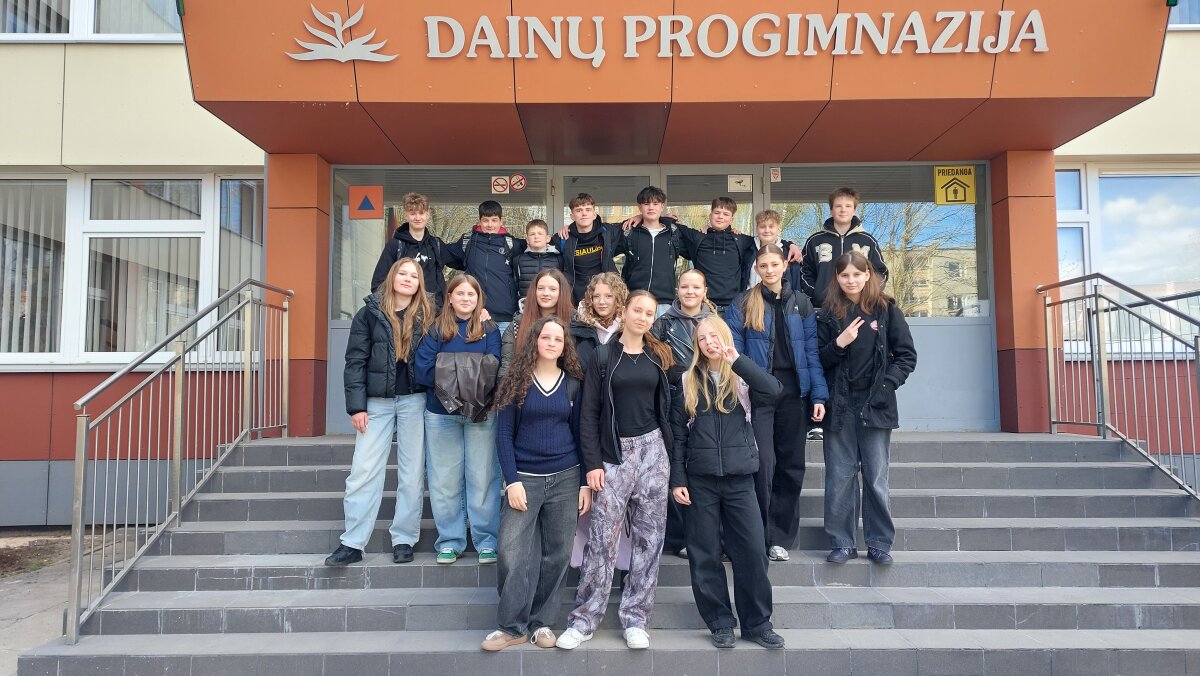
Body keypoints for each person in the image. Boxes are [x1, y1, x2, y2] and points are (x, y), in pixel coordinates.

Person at [556, 291, 675, 652]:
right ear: (624, 311)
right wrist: (592, 464)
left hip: (653, 452)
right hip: (614, 454)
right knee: (601, 539)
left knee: (649, 540)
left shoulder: (659, 355)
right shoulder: (604, 356)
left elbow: (669, 405)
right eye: (637, 310)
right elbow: (589, 414)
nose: (643, 317)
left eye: (649, 313)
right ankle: (584, 619)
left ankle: (636, 619)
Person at [670, 316, 784, 650]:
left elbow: (774, 391)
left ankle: (757, 624)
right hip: (700, 481)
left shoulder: (742, 376)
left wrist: (737, 360)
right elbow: (678, 437)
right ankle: (720, 622)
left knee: (752, 552)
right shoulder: (688, 380)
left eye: (714, 336)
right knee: (704, 555)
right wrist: (678, 479)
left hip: (740, 480)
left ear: (725, 337)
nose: (708, 342)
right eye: (702, 338)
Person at [482, 316, 592, 651]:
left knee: (557, 554)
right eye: (546, 337)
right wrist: (512, 480)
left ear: (565, 346)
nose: (552, 343)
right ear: (535, 340)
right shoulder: (515, 381)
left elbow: (581, 434)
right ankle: (511, 626)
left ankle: (541, 623)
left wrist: (584, 483)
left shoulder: (573, 383)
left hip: (566, 477)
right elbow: (503, 435)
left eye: (558, 339)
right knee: (511, 552)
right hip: (525, 479)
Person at [326, 258, 434, 567]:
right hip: (376, 403)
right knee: (363, 471)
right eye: (403, 273)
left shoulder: (428, 315)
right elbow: (355, 361)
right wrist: (357, 406)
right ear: (392, 277)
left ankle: (404, 539)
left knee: (412, 473)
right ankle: (352, 542)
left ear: (419, 283)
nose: (408, 279)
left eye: (414, 275)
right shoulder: (369, 313)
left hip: (415, 401)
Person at [725, 244, 828, 562]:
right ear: (756, 269)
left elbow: (811, 352)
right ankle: (757, 534)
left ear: (785, 266)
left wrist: (819, 395)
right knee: (762, 464)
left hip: (794, 395)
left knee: (791, 466)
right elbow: (735, 354)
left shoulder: (802, 302)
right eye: (763, 265)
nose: (769, 270)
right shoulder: (743, 302)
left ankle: (780, 538)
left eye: (774, 264)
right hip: (760, 395)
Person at [817, 251, 917, 565]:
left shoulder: (886, 310)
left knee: (875, 477)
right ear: (837, 278)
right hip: (840, 405)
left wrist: (886, 386)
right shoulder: (827, 313)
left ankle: (879, 543)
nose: (851, 280)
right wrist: (839, 343)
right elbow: (818, 359)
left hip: (876, 404)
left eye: (857, 274)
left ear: (867, 275)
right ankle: (842, 542)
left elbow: (906, 356)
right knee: (840, 476)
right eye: (844, 275)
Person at [414, 274, 503, 565]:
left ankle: (486, 541)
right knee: (444, 480)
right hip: (441, 413)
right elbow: (423, 370)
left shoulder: (489, 329)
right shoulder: (436, 329)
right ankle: (450, 541)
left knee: (483, 477)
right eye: (460, 293)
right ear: (450, 298)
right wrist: (470, 373)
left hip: (480, 413)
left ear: (479, 299)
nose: (465, 298)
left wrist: (449, 367)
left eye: (471, 294)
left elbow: (493, 369)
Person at [650, 269, 716, 559]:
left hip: (710, 399)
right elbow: (655, 360)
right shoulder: (663, 323)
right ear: (677, 289)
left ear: (705, 291)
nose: (690, 292)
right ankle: (678, 537)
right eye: (685, 286)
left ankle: (707, 535)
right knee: (676, 465)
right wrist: (681, 375)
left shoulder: (715, 322)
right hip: (676, 399)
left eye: (696, 287)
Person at [799, 187, 889, 309]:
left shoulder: (868, 241)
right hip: (824, 308)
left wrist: (867, 295)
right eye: (838, 206)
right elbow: (805, 272)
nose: (843, 210)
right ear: (831, 210)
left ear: (854, 210)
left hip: (860, 308)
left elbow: (880, 272)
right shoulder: (815, 241)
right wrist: (817, 295)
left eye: (848, 206)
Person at [443, 200, 522, 333]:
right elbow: (443, 254)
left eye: (494, 220)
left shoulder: (512, 244)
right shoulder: (468, 241)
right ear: (480, 221)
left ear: (501, 221)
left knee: (506, 348)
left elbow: (536, 250)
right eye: (486, 220)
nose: (490, 225)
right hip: (473, 314)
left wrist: (557, 238)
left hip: (504, 317)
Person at [615, 186, 688, 316]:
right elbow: (603, 239)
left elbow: (698, 247)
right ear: (639, 207)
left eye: (655, 204)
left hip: (664, 303)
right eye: (646, 204)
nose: (651, 207)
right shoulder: (629, 233)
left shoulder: (673, 233)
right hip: (635, 300)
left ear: (662, 206)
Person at [676, 197, 755, 314]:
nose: (720, 217)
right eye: (717, 212)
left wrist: (789, 245)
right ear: (710, 215)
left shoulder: (741, 240)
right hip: (704, 306)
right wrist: (664, 217)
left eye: (726, 214)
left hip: (733, 307)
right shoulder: (698, 237)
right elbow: (668, 227)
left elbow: (766, 241)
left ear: (731, 219)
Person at [370, 193, 449, 308]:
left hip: (433, 311)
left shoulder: (436, 245)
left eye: (421, 213)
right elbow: (378, 284)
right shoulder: (395, 245)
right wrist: (392, 309)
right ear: (406, 215)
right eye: (413, 214)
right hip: (404, 311)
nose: (417, 218)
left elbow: (462, 260)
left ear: (428, 215)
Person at [500, 268, 574, 380]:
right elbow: (507, 367)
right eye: (540, 288)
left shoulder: (575, 322)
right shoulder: (517, 325)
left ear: (561, 292)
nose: (545, 293)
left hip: (564, 385)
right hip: (524, 384)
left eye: (552, 289)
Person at [553, 193, 621, 305]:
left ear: (594, 214)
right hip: (574, 299)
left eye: (588, 209)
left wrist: (638, 217)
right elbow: (537, 247)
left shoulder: (608, 232)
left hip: (605, 298)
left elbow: (637, 224)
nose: (584, 213)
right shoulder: (563, 238)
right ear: (572, 216)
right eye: (579, 210)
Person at [570, 272, 626, 370]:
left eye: (608, 296)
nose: (601, 302)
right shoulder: (578, 327)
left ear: (619, 298)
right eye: (596, 296)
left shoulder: (628, 329)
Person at [513, 219, 563, 301]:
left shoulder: (558, 259)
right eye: (532, 234)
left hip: (552, 304)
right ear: (527, 239)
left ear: (548, 238)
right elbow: (515, 286)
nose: (536, 237)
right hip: (527, 304)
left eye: (540, 233)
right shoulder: (518, 260)